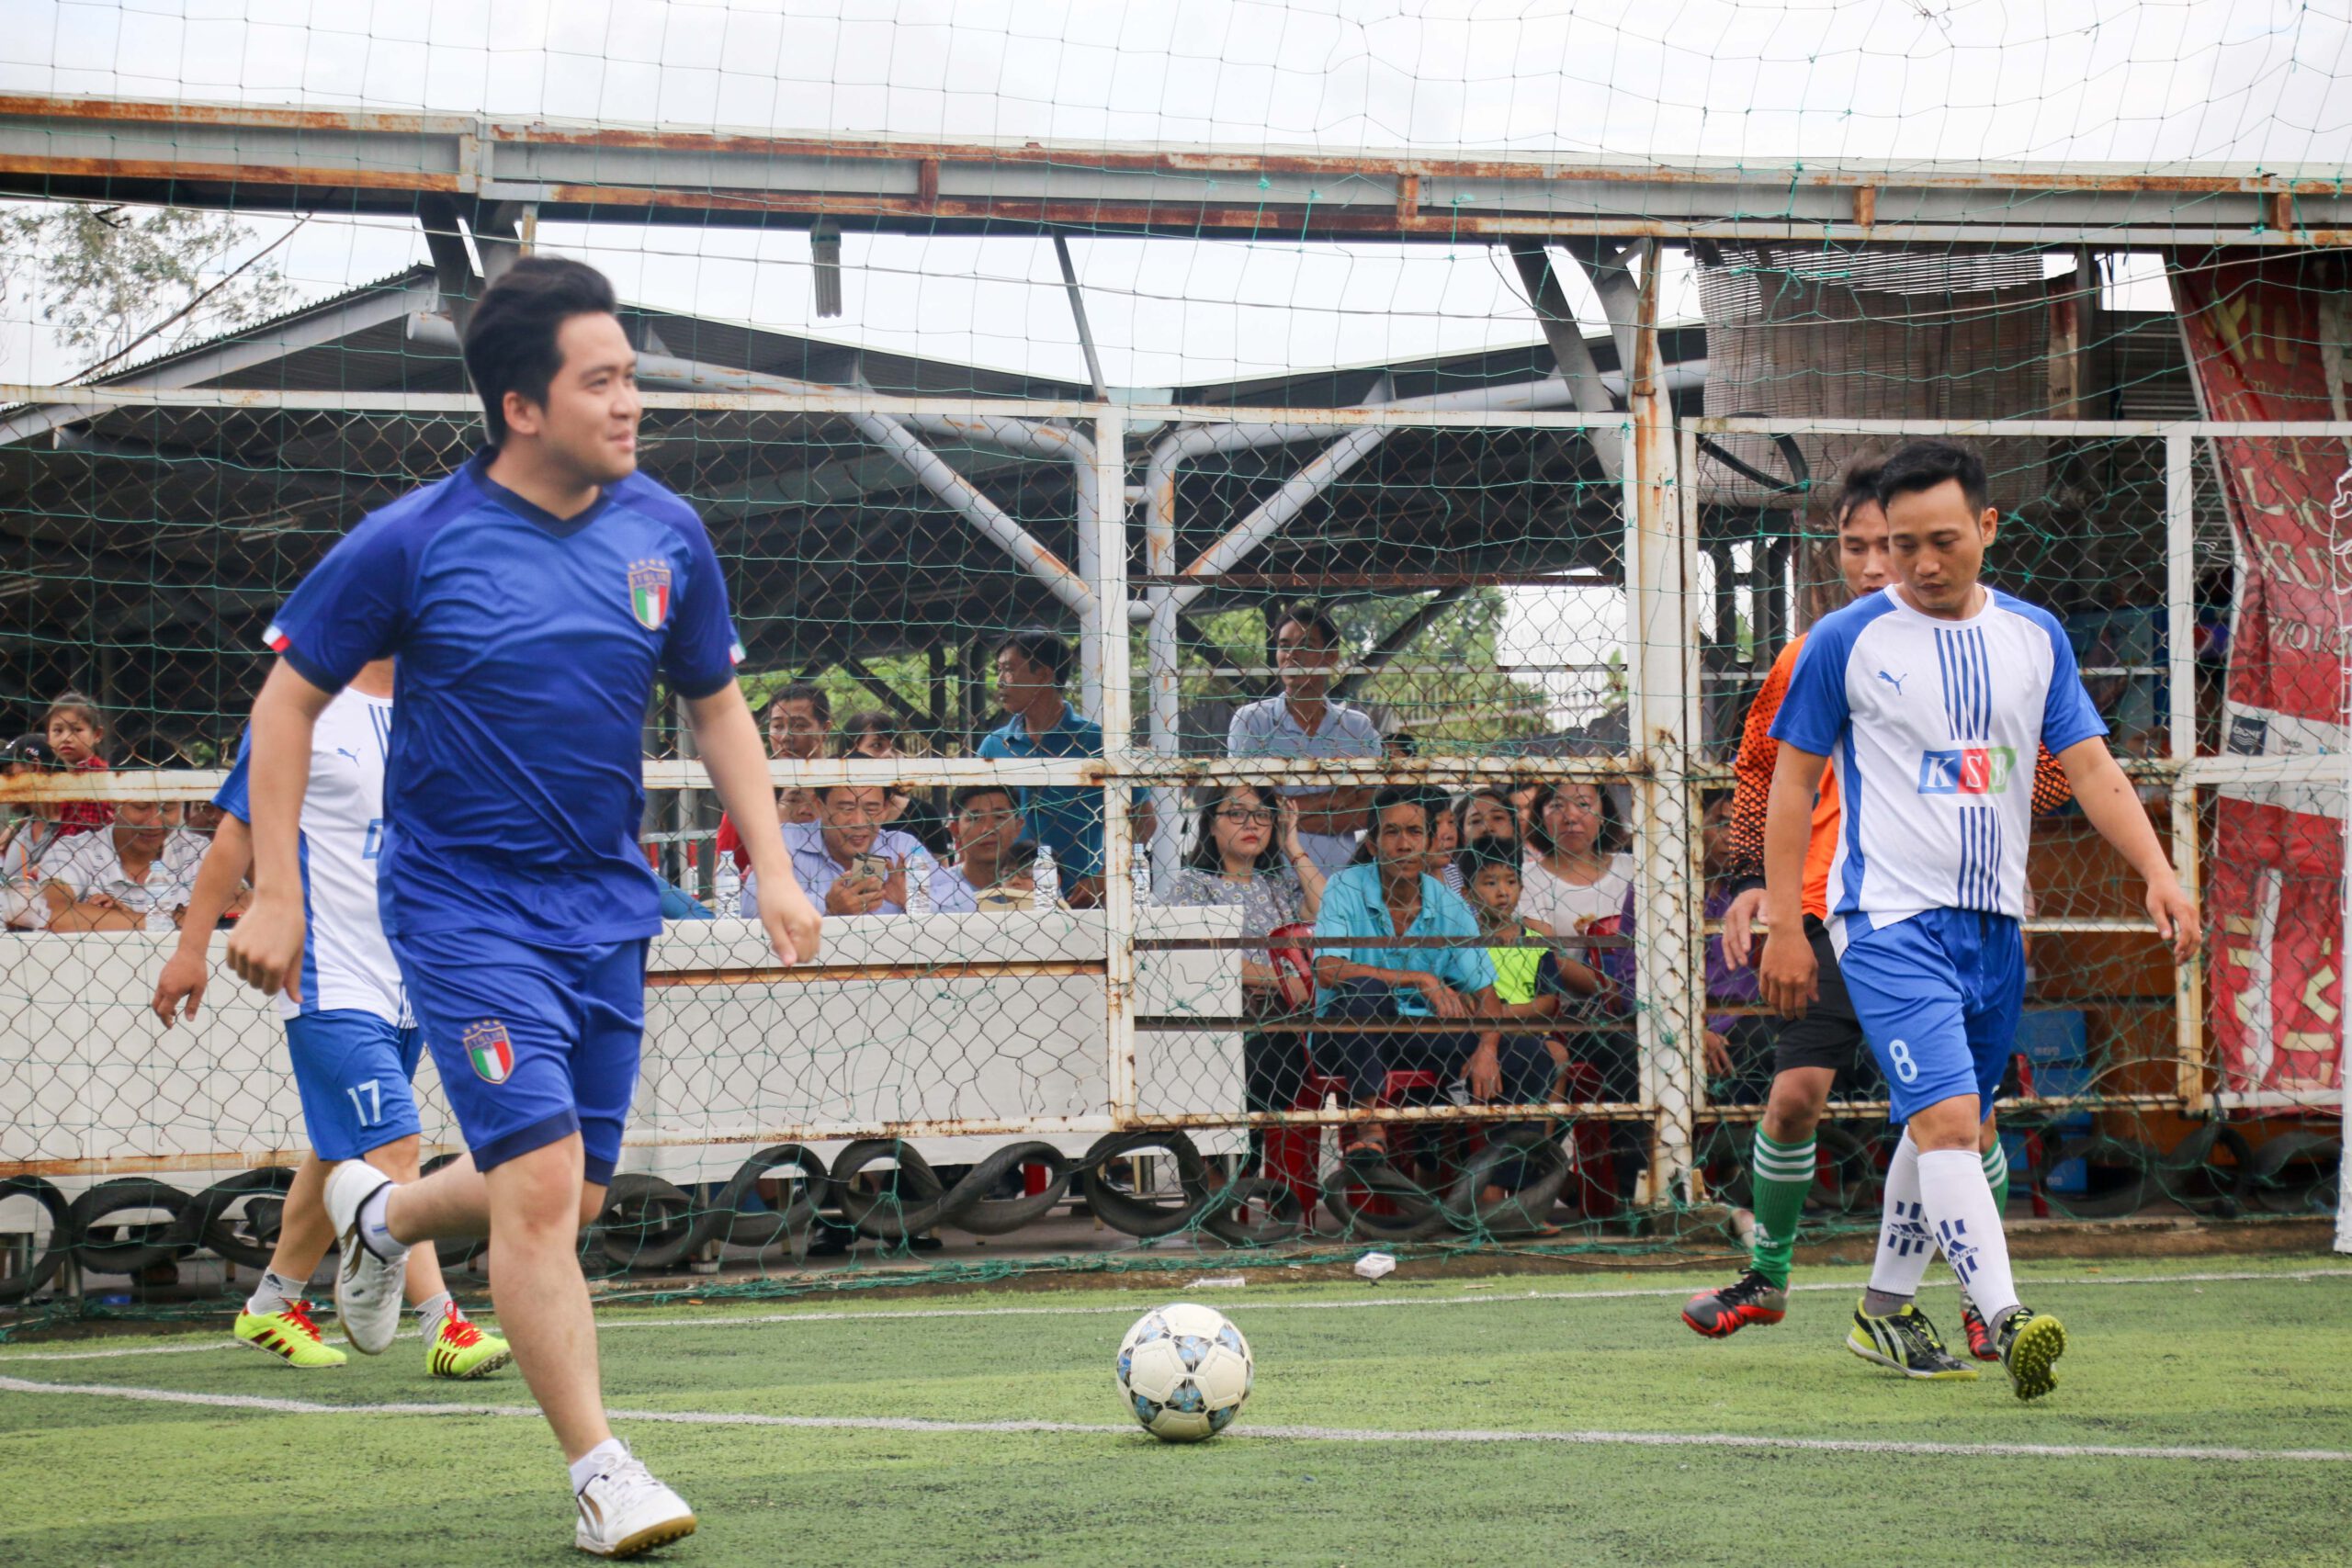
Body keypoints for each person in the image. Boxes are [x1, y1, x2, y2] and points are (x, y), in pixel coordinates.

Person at [222, 255, 820, 1556]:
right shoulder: (411, 540)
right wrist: (274, 891)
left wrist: (774, 866)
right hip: (460, 911)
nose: (630, 402)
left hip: (605, 912)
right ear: (522, 407)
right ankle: (602, 1473)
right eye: (600, 381)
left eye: (631, 377)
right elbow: (285, 702)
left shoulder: (666, 531)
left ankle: (381, 1215)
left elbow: (717, 702)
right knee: (541, 1186)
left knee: (570, 1193)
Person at [1756, 438, 2197, 1402]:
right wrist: (1788, 922)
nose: (1918, 563)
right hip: (1884, 920)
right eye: (1900, 543)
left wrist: (2160, 873)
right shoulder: (1843, 641)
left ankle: (1882, 1309)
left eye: (1941, 541)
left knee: (1951, 1123)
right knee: (1952, 1120)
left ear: (1987, 527)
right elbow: (1790, 786)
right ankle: (2006, 1315)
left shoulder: (2035, 636)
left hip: (1994, 926)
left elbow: (2090, 766)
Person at [1683, 459, 2073, 1359]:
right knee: (1794, 1096)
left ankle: (1974, 1300)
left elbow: (2048, 766)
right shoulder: (1818, 652)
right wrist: (1760, 886)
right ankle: (1769, 1275)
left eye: (1885, 547)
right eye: (1854, 547)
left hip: (1942, 911)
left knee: (1966, 1120)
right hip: (1830, 911)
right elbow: (1761, 772)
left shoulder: (1991, 644)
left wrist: (1976, 810)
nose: (1871, 565)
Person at [152, 660, 512, 1379]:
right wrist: (191, 950)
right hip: (326, 976)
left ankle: (271, 1303)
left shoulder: (443, 708)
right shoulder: (299, 708)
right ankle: (442, 1323)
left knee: (342, 1148)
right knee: (395, 1143)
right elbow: (235, 835)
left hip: (412, 976)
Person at [1308, 788, 1552, 1159]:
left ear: (1430, 843)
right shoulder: (1346, 886)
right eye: (1391, 832)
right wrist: (1421, 979)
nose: (1404, 844)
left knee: (1531, 1053)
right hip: (1345, 1035)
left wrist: (1487, 1047)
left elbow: (1486, 993)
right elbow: (1328, 971)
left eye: (1415, 832)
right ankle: (1368, 1124)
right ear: (1373, 845)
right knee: (1364, 989)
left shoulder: (1450, 904)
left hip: (1417, 1034)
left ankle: (1509, 1179)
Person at [1164, 785, 1329, 1116]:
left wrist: (1293, 846)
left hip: (1292, 1015)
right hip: (1228, 1014)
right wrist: (1282, 981)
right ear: (1211, 824)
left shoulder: (1279, 886)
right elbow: (1202, 957)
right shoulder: (1193, 885)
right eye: (1237, 813)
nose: (1252, 824)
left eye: (1263, 816)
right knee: (1268, 1058)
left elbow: (1327, 910)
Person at [1226, 603, 1384, 877]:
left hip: (1340, 881)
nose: (1292, 655)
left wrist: (1282, 815)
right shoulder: (1252, 720)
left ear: (1331, 656)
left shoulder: (1356, 726)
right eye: (1284, 646)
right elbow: (1247, 803)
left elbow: (1369, 812)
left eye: (1306, 645)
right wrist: (1334, 799)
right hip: (1270, 879)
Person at [977, 628, 1117, 907]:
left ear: (1043, 675)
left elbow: (1143, 819)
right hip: (1010, 896)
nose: (1000, 681)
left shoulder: (1096, 742)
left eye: (1009, 670)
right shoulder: (994, 746)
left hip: (1081, 896)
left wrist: (1105, 876)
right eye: (998, 670)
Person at [751, 782, 924, 917]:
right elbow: (750, 905)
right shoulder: (786, 841)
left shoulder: (903, 847)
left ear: (885, 809)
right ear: (819, 806)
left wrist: (910, 898)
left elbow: (943, 899)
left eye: (871, 810)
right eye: (846, 809)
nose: (859, 822)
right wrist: (827, 905)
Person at [39, 795, 207, 931]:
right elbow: (51, 913)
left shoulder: (199, 851)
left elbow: (222, 916)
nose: (154, 822)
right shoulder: (74, 851)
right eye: (141, 806)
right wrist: (171, 921)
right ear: (114, 800)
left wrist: (109, 920)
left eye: (167, 808)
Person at [715, 682, 829, 877]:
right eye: (777, 726)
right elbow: (725, 875)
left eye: (799, 726)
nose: (786, 737)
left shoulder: (844, 787)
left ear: (825, 730)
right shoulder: (748, 798)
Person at [1518, 780, 1634, 934]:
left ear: (1603, 814)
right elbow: (1545, 946)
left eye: (1583, 804)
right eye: (1557, 806)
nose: (1570, 817)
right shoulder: (1525, 879)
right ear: (1541, 818)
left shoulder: (1633, 869)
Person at [837, 710, 949, 854]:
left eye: (896, 747)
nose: (889, 755)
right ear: (850, 753)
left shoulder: (924, 814)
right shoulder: (830, 812)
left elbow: (940, 866)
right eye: (877, 745)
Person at [927, 784, 1026, 913]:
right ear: (955, 830)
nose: (988, 829)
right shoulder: (939, 892)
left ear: (1018, 826)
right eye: (975, 818)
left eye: (999, 817)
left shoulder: (1039, 884)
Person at [1, 734, 64, 931]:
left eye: (9, 774)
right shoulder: (20, 833)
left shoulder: (77, 828)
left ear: (35, 769)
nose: (4, 782)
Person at [42, 690, 114, 837]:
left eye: (77, 730)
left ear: (97, 734)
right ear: (48, 737)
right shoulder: (61, 777)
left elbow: (79, 832)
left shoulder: (97, 774)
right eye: (58, 730)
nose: (66, 738)